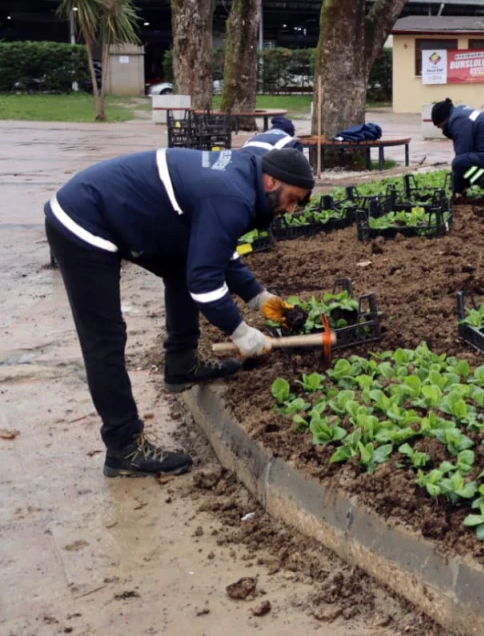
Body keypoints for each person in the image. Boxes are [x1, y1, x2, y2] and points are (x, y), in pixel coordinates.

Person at [44, 147, 315, 477]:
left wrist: (262, 300)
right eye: (291, 198)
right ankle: (123, 447)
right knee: (105, 338)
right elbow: (205, 283)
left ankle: (181, 364)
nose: (289, 209)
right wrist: (241, 333)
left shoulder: (244, 177)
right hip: (84, 220)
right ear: (271, 180)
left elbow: (216, 254)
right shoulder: (232, 196)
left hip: (127, 212)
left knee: (182, 262)